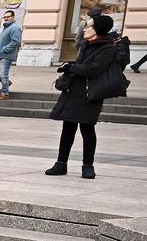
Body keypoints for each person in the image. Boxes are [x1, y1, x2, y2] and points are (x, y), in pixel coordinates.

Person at [46, 13, 126, 181]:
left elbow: (93, 70)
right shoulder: (85, 45)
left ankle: (88, 166)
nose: (85, 29)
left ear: (98, 30)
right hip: (74, 91)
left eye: (89, 26)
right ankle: (61, 164)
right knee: (68, 127)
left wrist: (70, 67)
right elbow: (84, 67)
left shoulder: (108, 48)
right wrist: (72, 67)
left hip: (90, 93)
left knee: (87, 128)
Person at [0, 10, 22, 100]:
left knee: (3, 75)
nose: (6, 18)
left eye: (8, 16)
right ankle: (7, 83)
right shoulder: (6, 27)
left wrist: (5, 50)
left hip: (5, 56)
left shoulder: (15, 28)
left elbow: (16, 41)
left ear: (13, 17)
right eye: (5, 17)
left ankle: (5, 93)